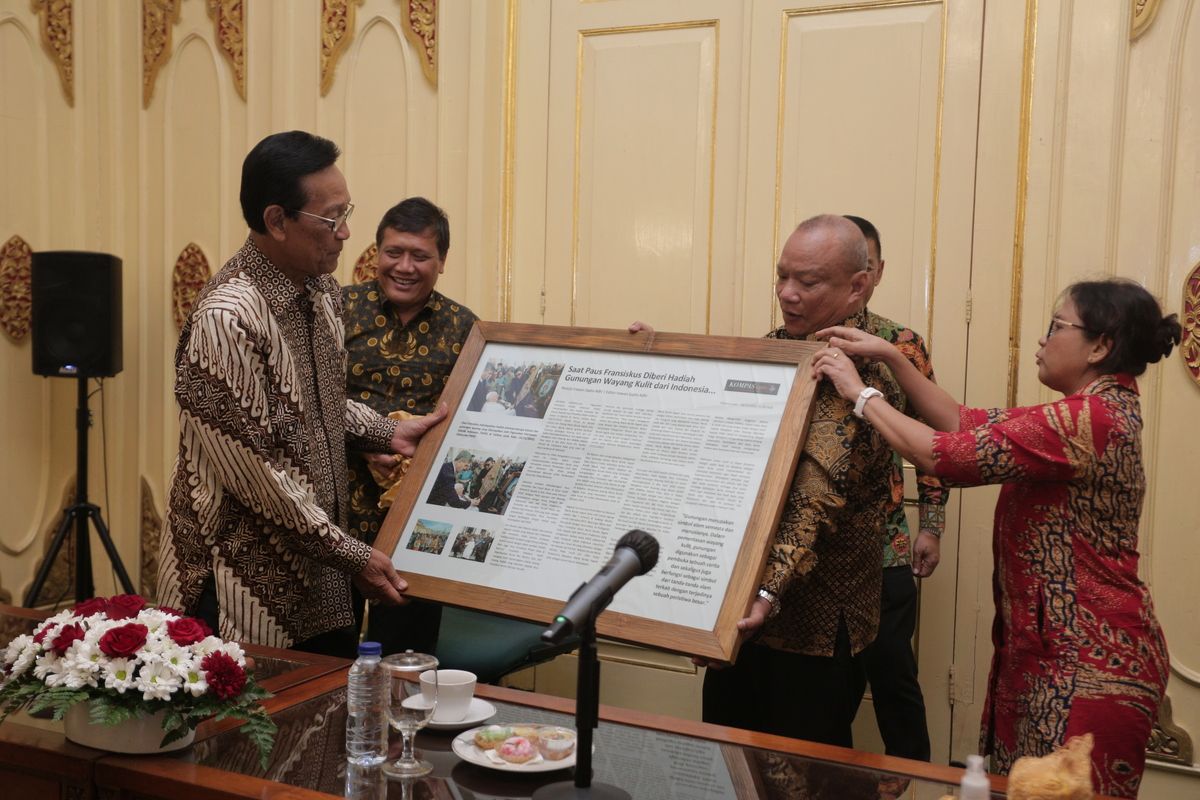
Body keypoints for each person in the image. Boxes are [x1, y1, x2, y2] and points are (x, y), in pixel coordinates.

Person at [813, 278, 1178, 797]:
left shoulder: (1088, 418)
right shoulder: (1083, 410)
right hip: (1047, 659)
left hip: (1087, 670)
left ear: (1100, 345)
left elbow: (943, 455)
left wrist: (859, 392)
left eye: (1056, 327)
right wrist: (894, 358)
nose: (1041, 340)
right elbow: (964, 422)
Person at [157, 131, 446, 656]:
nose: (346, 232)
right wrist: (352, 554)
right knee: (248, 734)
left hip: (321, 581)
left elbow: (321, 403)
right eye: (331, 219)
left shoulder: (320, 289)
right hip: (240, 591)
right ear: (276, 220)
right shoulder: (229, 317)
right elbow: (257, 475)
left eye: (346, 212)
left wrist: (389, 430)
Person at [651, 214, 908, 747]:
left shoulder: (868, 376)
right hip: (742, 610)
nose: (787, 294)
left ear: (857, 285)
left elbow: (815, 503)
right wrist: (650, 359)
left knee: (803, 775)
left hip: (813, 623)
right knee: (724, 761)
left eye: (808, 282)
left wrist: (766, 593)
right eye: (781, 277)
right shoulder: (773, 349)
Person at [342, 197, 478, 653]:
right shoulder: (335, 310)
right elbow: (304, 397)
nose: (404, 266)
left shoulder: (466, 328)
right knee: (323, 657)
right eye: (393, 252)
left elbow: (474, 422)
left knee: (406, 663)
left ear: (441, 262)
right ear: (375, 253)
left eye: (419, 256)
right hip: (332, 515)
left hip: (417, 524)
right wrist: (367, 440)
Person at [843, 215, 944, 762]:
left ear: (874, 273)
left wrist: (931, 526)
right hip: (812, 554)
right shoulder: (783, 342)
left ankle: (917, 783)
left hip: (884, 545)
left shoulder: (901, 343)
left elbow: (932, 441)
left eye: (871, 265)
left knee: (893, 677)